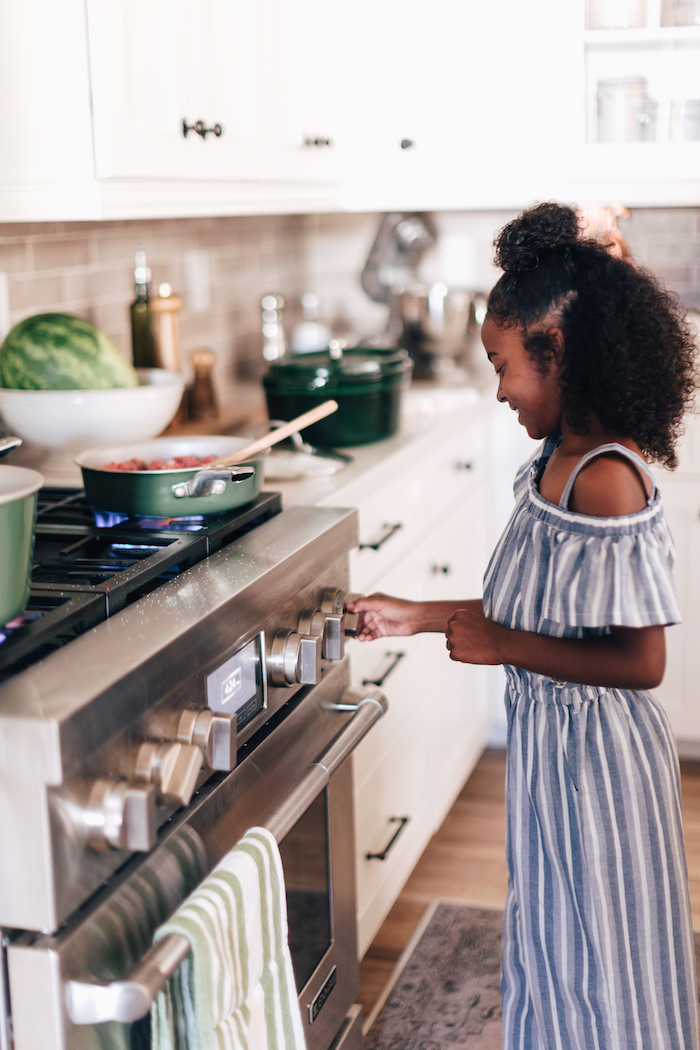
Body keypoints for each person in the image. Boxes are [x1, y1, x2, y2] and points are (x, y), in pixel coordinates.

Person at [348, 202, 699, 1050]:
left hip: (601, 771)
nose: (499, 389)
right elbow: (534, 613)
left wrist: (500, 646)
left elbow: (641, 659)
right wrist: (418, 616)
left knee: (603, 964)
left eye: (505, 368)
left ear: (561, 356)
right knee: (554, 946)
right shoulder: (554, 461)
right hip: (554, 760)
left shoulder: (606, 478)